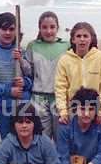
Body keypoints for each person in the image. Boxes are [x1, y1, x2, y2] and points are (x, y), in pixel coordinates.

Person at [54, 22, 101, 125]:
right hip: (73, 110)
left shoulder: (100, 57)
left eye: (85, 36)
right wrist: (63, 111)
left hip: (94, 110)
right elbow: (60, 88)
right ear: (73, 39)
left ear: (91, 39)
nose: (82, 39)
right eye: (78, 36)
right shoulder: (64, 60)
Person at [25, 11, 70, 139]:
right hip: (39, 97)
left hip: (59, 97)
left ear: (57, 28)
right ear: (40, 28)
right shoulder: (33, 45)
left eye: (52, 27)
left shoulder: (66, 45)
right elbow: (28, 71)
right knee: (41, 136)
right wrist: (20, 60)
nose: (48, 31)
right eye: (44, 27)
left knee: (60, 135)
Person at [0, 12, 32, 138]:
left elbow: (31, 78)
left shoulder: (21, 51)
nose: (8, 33)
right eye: (4, 29)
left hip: (22, 106)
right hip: (0, 107)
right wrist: (8, 90)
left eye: (12, 29)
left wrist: (25, 82)